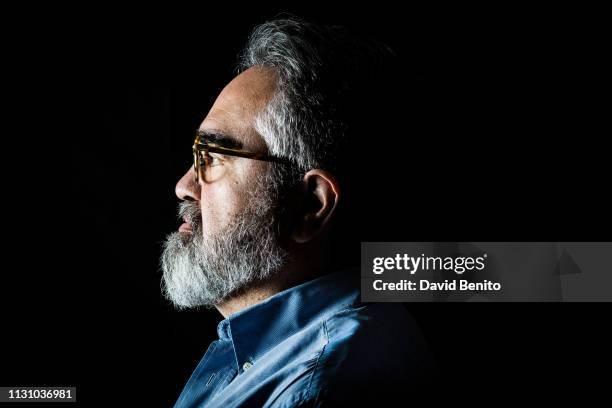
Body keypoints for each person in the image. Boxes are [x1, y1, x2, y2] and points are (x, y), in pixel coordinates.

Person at [161, 16, 434, 407]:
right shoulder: (267, 355)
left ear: (310, 205)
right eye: (195, 155)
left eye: (215, 156)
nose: (184, 186)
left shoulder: (315, 389)